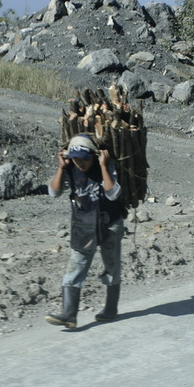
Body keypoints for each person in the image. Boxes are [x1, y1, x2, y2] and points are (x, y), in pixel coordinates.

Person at [45, 134, 125, 329]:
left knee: (111, 264)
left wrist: (104, 166)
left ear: (94, 156)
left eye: (84, 159)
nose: (80, 163)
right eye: (75, 158)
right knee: (76, 265)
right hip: (84, 224)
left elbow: (113, 194)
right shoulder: (70, 168)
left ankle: (111, 308)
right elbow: (53, 192)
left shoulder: (104, 165)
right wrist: (62, 167)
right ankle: (69, 314)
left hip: (110, 223)